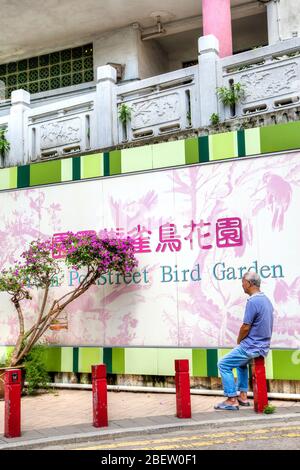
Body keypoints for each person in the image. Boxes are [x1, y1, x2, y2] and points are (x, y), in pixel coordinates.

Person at [214, 271, 274, 411]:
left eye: (243, 282)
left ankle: (231, 399)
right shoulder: (266, 300)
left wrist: (239, 340)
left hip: (251, 346)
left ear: (250, 283)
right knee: (241, 365)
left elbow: (246, 326)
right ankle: (243, 396)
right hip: (262, 347)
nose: (242, 285)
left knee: (223, 364)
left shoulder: (253, 301)